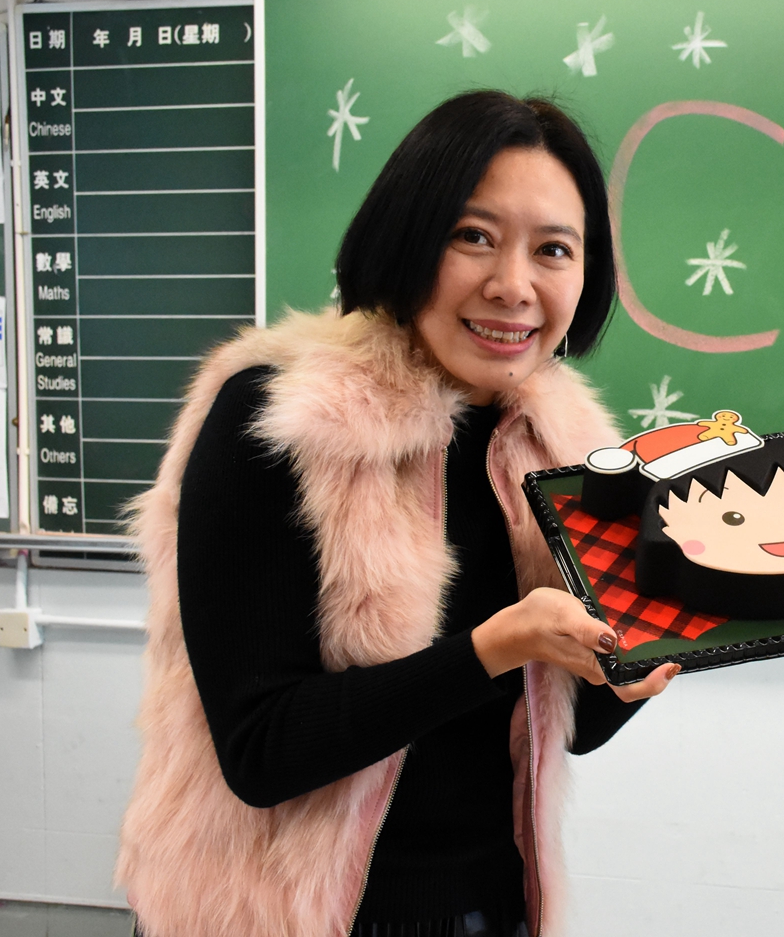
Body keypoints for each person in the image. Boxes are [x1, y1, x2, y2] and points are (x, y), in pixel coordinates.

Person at [115, 91, 677, 937]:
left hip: (490, 903)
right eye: (473, 236)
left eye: (554, 250)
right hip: (274, 914)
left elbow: (574, 725)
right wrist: (495, 646)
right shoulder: (282, 419)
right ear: (408, 236)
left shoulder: (565, 447)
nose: (513, 286)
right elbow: (263, 752)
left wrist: (691, 617)